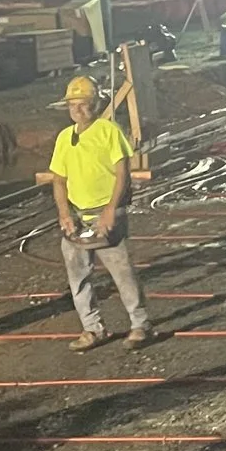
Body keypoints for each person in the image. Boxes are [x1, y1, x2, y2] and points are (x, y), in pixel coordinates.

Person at [50, 74, 153, 352]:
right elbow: (58, 180)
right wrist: (64, 214)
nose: (78, 110)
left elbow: (122, 173)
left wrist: (110, 211)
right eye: (73, 105)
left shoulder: (109, 131)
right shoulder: (64, 139)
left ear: (95, 105)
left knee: (122, 271)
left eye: (84, 104)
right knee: (78, 277)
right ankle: (92, 328)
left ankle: (139, 323)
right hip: (77, 216)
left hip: (106, 213)